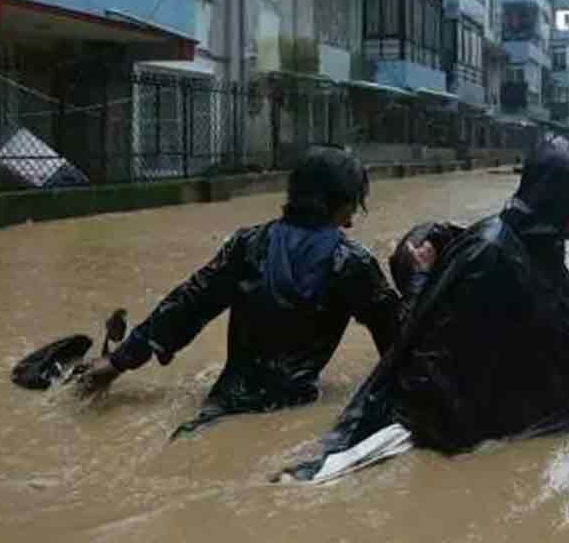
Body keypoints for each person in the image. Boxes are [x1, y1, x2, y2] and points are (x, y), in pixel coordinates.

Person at [277, 139, 569, 482]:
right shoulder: (495, 255)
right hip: (433, 418)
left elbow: (562, 332)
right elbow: (564, 351)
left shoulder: (534, 245)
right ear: (556, 202)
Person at [75, 146, 436, 438]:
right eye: (355, 203)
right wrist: (418, 279)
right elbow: (399, 345)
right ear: (341, 204)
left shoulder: (248, 245)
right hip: (291, 416)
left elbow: (188, 302)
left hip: (221, 406)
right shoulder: (351, 263)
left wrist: (118, 361)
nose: (355, 216)